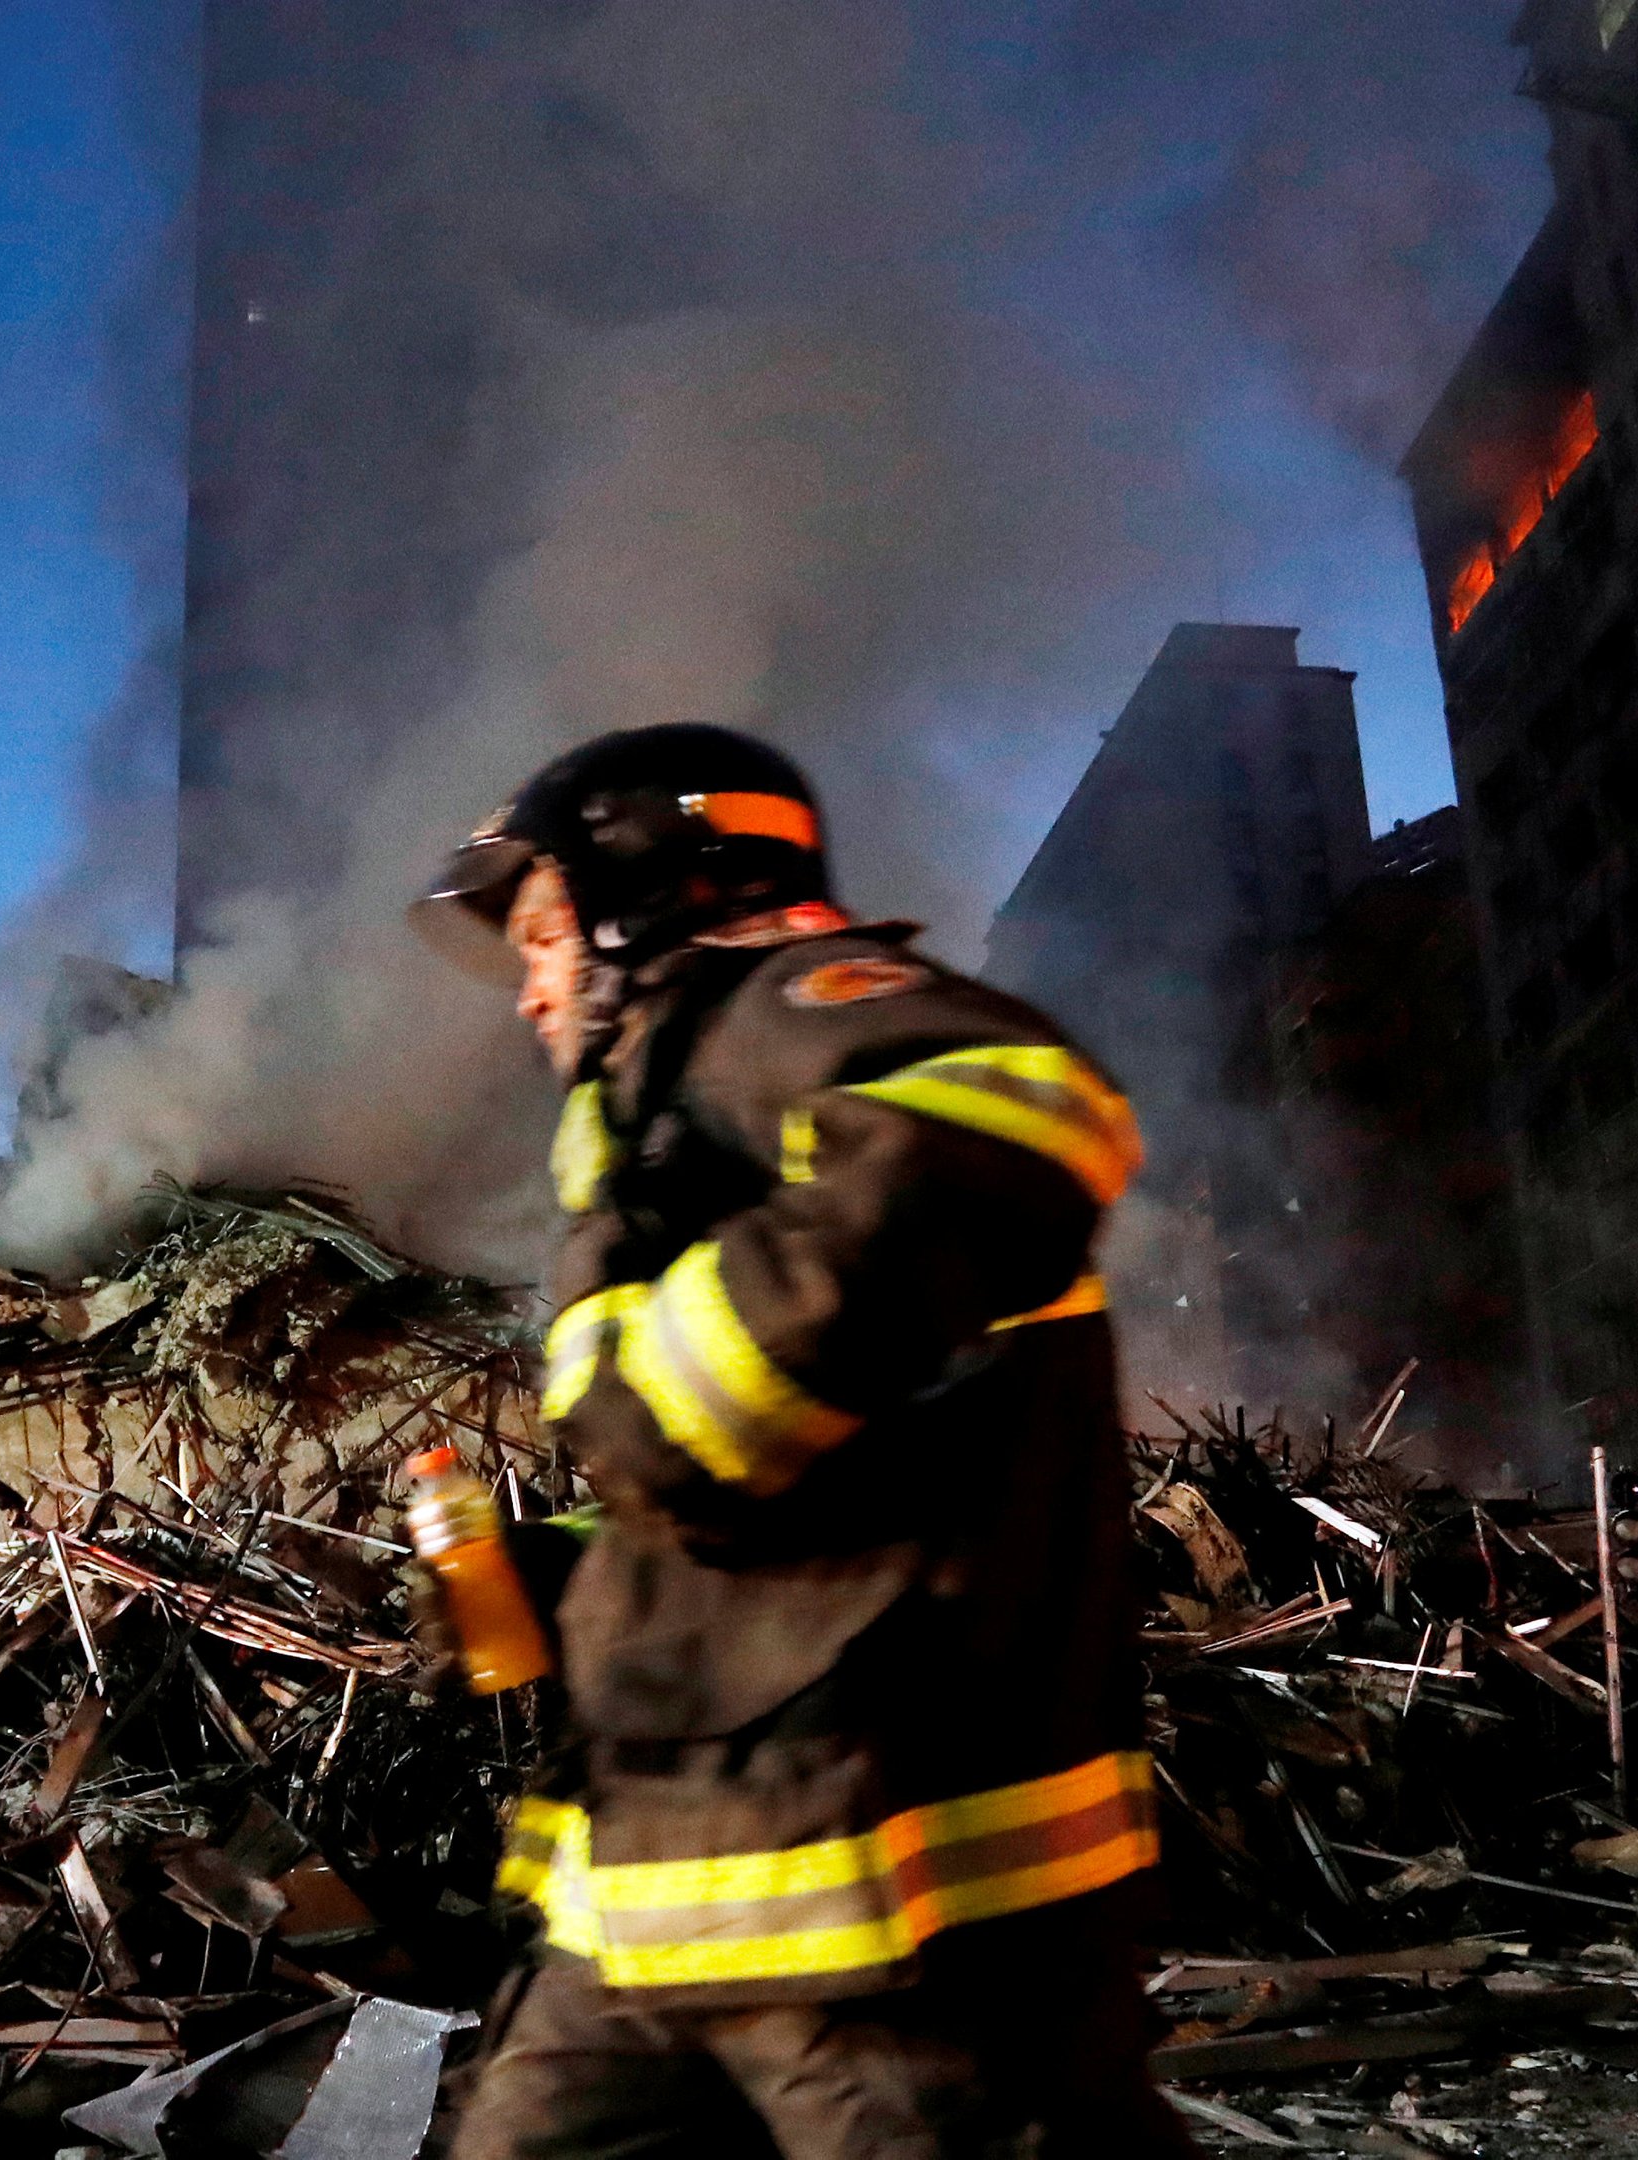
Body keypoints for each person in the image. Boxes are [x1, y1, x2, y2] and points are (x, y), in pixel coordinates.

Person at [410, 724, 1192, 2158]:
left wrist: (663, 1423)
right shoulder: (674, 1117)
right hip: (654, 1924)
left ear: (648, 889)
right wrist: (572, 1571)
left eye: (540, 936)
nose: (526, 994)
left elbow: (1013, 1106)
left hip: (890, 1933)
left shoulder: (774, 1001)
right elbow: (827, 1485)